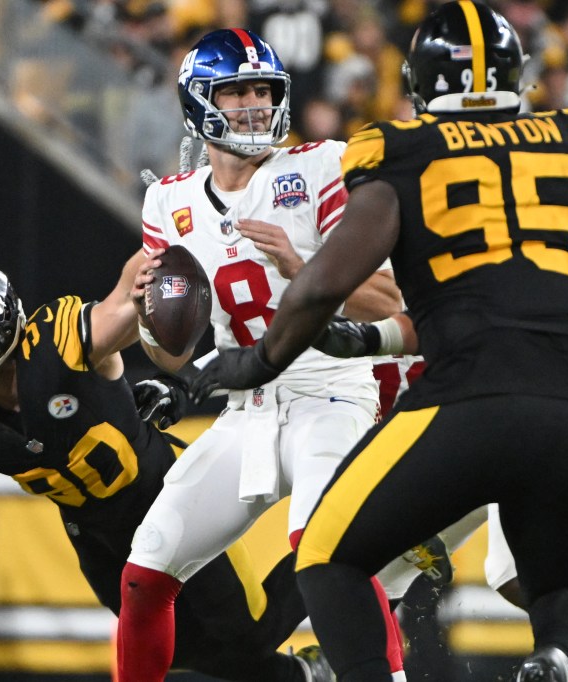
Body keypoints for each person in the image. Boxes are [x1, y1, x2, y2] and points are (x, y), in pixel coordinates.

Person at [190, 3, 568, 681]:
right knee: (566, 592)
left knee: (324, 557)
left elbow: (318, 287)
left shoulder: (402, 154)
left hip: (467, 398)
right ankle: (555, 655)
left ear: (420, 78)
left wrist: (256, 361)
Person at [0, 256, 328, 682]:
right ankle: (305, 675)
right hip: (97, 538)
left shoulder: (56, 344)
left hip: (168, 493)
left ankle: (343, 550)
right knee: (184, 651)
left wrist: (148, 267)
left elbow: (122, 303)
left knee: (249, 633)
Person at [116, 27, 407, 682]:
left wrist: (304, 268)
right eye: (235, 90)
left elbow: (388, 300)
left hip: (330, 394)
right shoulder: (169, 201)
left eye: (261, 90)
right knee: (144, 574)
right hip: (244, 410)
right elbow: (171, 352)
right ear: (198, 102)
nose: (251, 104)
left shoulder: (320, 166)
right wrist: (146, 314)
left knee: (332, 557)